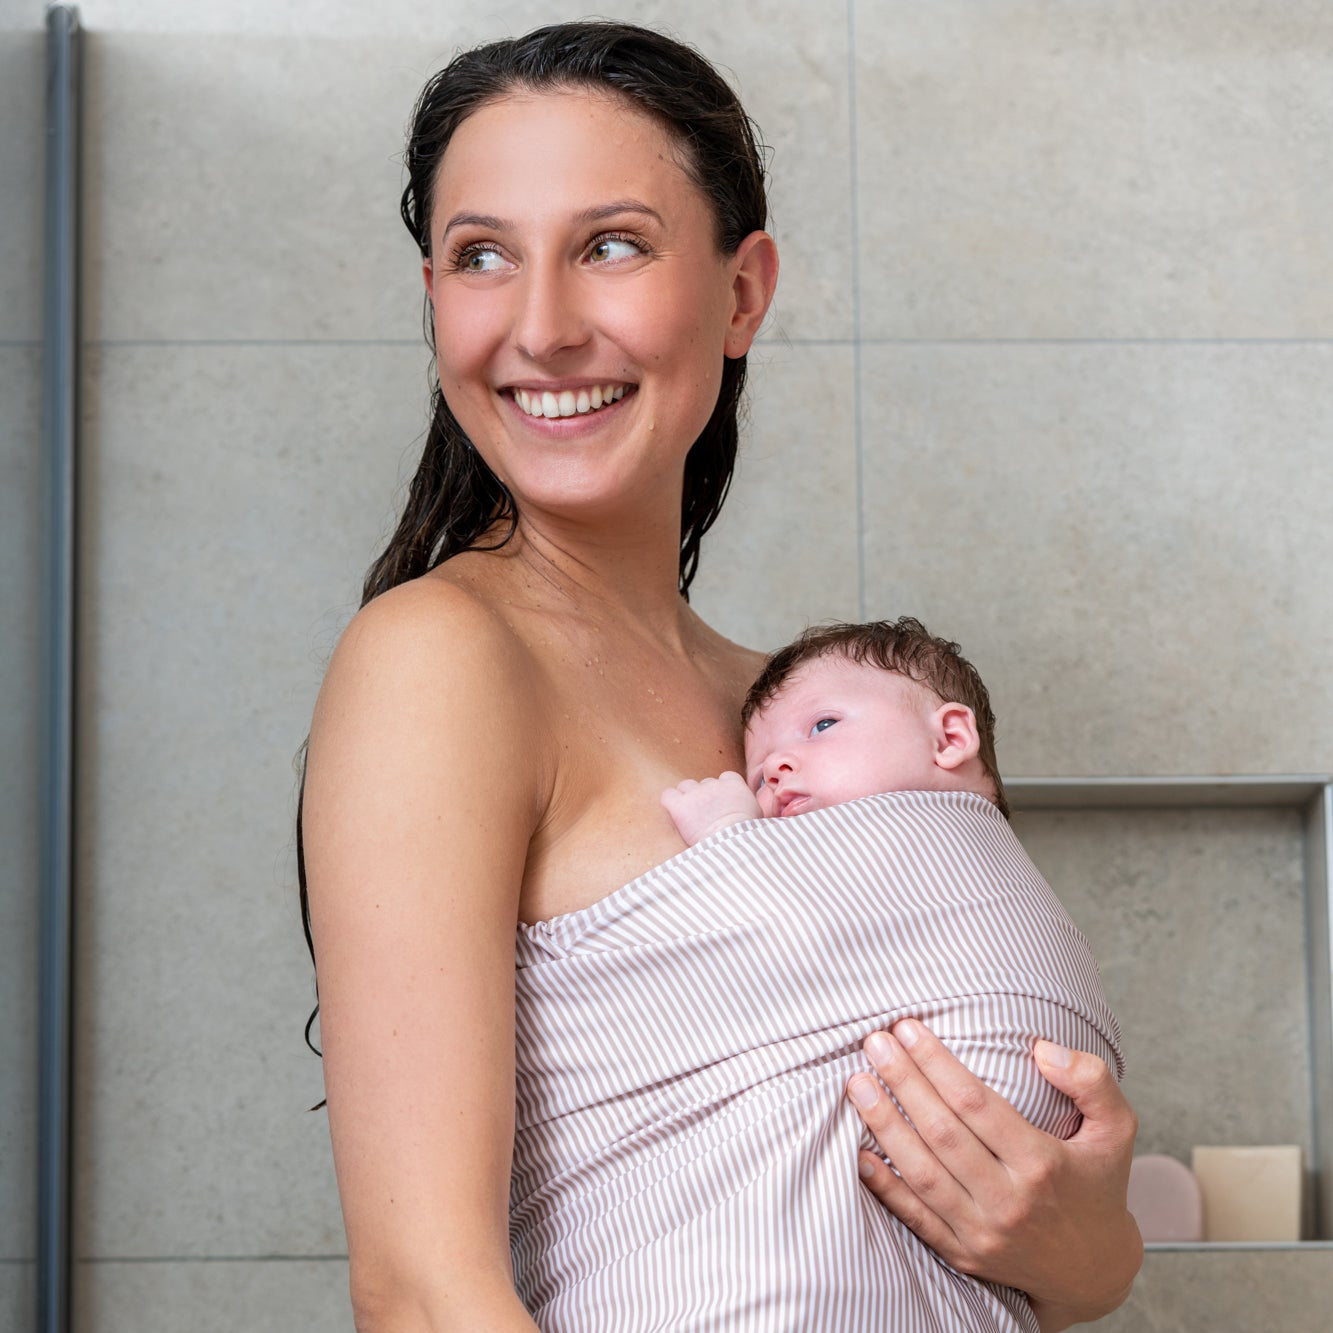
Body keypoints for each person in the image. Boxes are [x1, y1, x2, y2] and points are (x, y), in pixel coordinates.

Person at [298, 20, 1141, 1333]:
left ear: (742, 291)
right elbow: (422, 1290)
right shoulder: (442, 661)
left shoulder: (816, 721)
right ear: (434, 298)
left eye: (612, 245)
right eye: (482, 258)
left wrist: (1090, 1249)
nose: (541, 326)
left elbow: (1039, 1218)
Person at [662, 616, 1013, 842]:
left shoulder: (929, 838)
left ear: (949, 739)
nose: (773, 769)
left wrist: (725, 833)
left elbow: (777, 919)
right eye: (757, 781)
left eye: (822, 725)